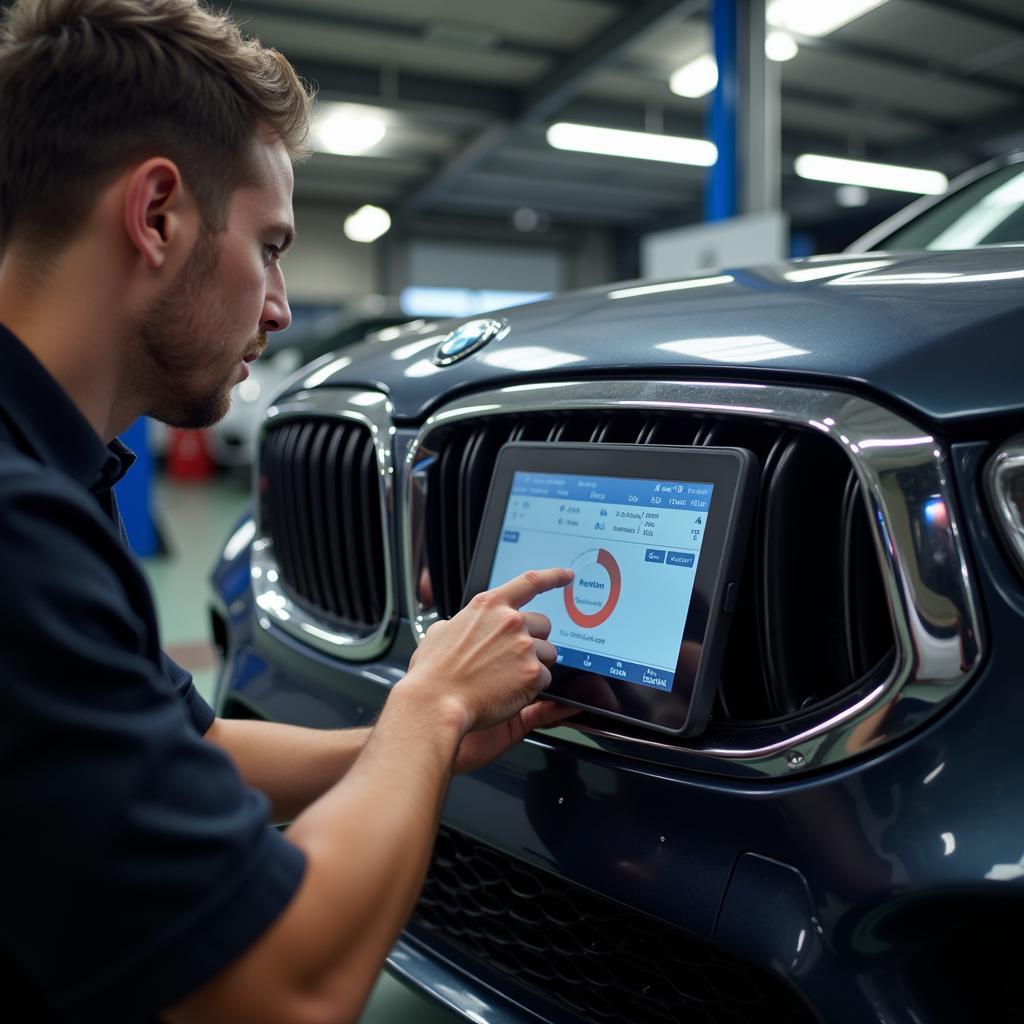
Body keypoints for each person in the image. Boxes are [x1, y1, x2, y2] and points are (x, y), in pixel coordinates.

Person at [0, 2, 574, 1021]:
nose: (277, 304)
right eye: (270, 245)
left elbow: (192, 752)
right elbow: (278, 990)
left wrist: (418, 741)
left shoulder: (53, 472)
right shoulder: (17, 528)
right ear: (158, 214)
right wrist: (429, 704)